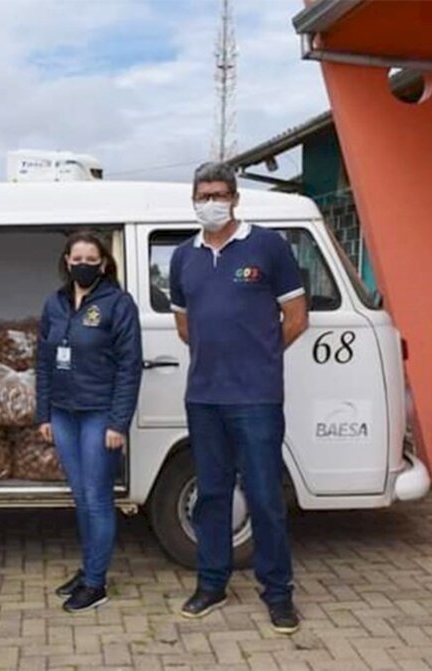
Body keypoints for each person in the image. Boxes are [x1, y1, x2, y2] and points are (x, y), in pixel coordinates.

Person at [168, 162, 309, 634]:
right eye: (204, 194)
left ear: (235, 198)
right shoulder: (183, 257)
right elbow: (185, 326)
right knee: (211, 495)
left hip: (256, 398)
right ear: (193, 199)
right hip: (204, 397)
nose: (212, 202)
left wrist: (260, 356)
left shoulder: (267, 246)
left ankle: (279, 593)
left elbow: (296, 316)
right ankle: (211, 583)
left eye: (221, 193)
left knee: (265, 496)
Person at [35, 231, 143, 613]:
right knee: (81, 497)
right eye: (75, 258)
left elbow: (130, 366)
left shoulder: (118, 303)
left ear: (103, 263)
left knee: (97, 499)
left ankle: (96, 583)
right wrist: (43, 413)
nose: (82, 264)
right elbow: (44, 361)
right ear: (66, 261)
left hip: (99, 414)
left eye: (90, 258)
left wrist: (118, 422)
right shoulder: (55, 303)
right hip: (63, 413)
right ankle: (87, 570)